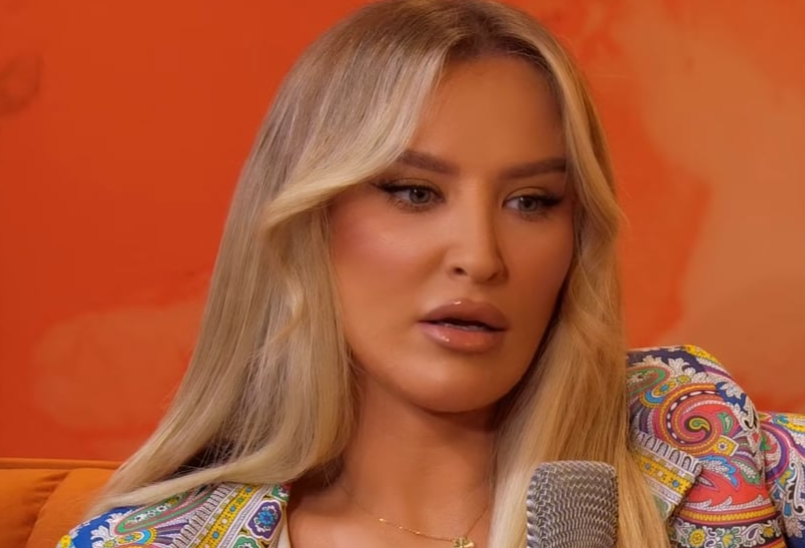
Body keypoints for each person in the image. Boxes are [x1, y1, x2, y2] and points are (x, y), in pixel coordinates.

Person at [58, 1, 676, 547]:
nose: (481, 256)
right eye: (415, 192)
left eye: (531, 201)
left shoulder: (684, 434)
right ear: (309, 220)